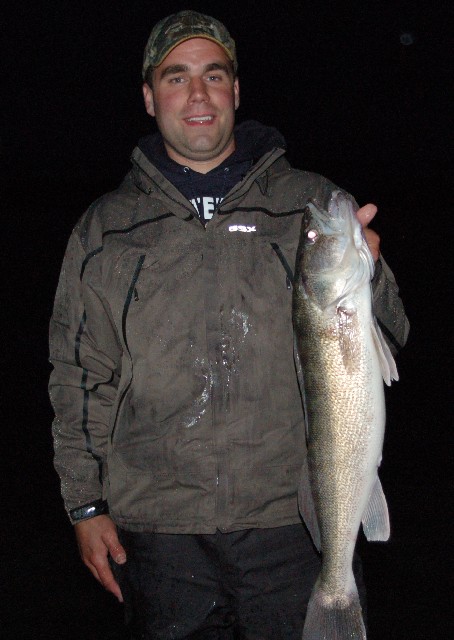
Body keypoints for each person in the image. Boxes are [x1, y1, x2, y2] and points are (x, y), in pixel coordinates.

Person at [49, 10, 409, 639]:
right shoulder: (105, 229)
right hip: (159, 536)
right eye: (176, 77)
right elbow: (80, 376)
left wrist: (371, 275)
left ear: (235, 91)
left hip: (295, 524)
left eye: (213, 76)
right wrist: (85, 505)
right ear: (149, 96)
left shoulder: (307, 205)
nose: (197, 94)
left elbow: (393, 333)